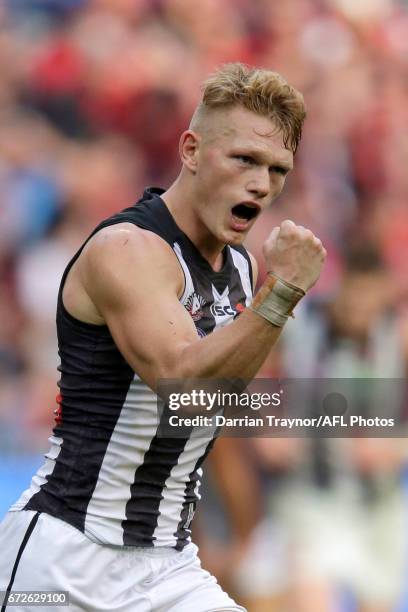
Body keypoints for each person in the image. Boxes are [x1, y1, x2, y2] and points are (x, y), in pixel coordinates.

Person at [0, 63, 325, 612]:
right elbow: (183, 385)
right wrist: (284, 292)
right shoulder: (127, 249)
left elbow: (220, 405)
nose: (261, 184)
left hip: (167, 564)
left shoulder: (242, 270)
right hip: (65, 560)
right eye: (245, 158)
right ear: (192, 150)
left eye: (277, 169)